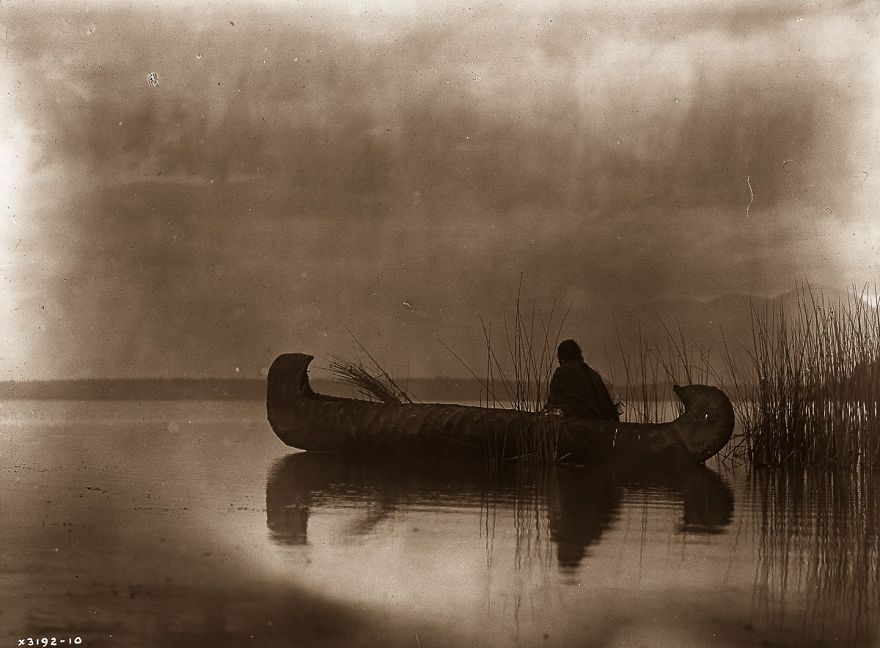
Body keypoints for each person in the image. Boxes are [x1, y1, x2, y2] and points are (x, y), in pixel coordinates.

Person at [546, 339, 620, 421]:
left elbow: (551, 402)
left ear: (561, 359)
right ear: (580, 356)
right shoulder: (590, 374)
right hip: (590, 420)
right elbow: (605, 404)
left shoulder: (560, 372)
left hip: (565, 419)